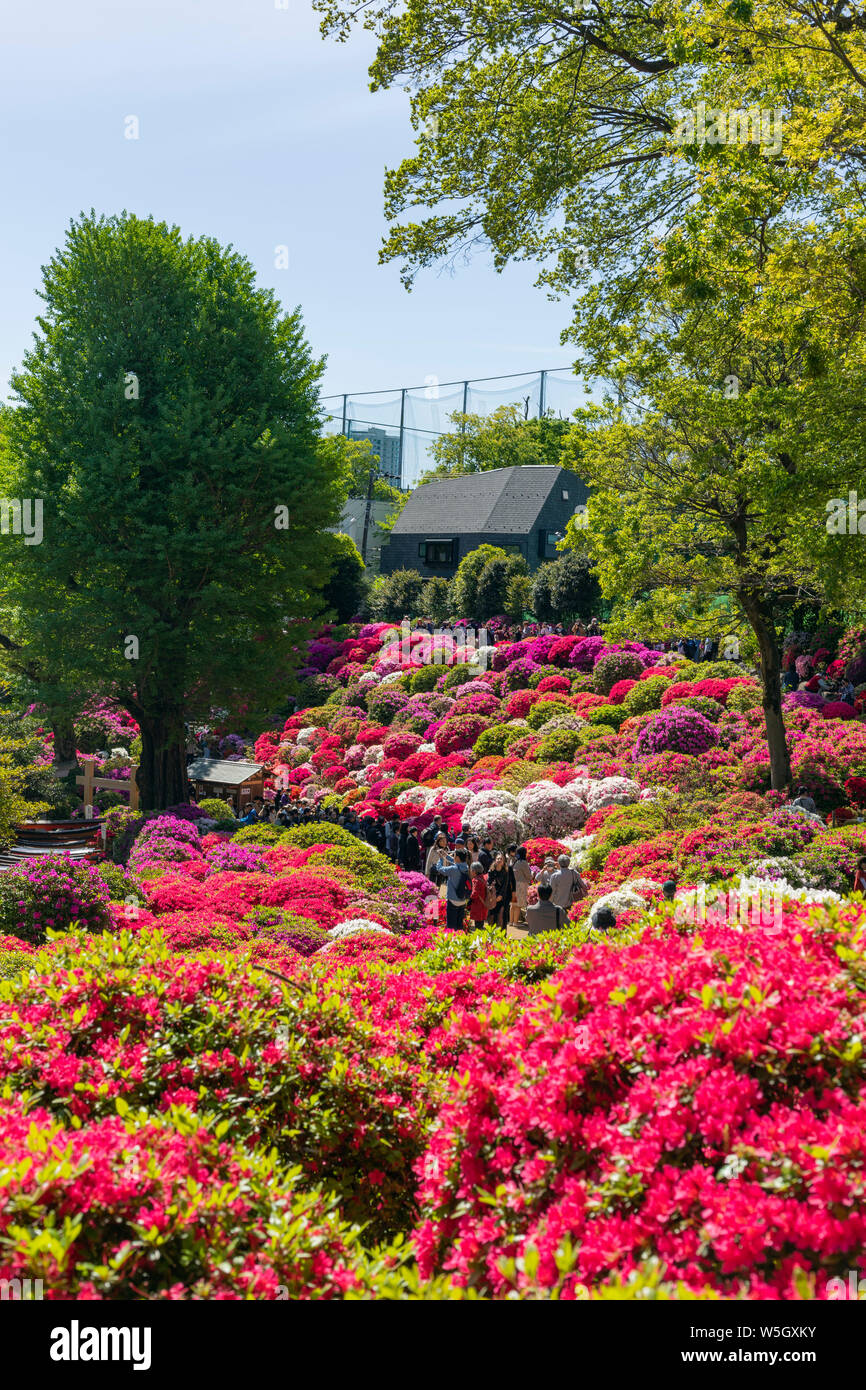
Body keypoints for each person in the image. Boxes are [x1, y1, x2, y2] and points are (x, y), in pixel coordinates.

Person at [437, 847, 471, 931]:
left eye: (454, 855)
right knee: (459, 926)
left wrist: (441, 859)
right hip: (462, 900)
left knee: (451, 927)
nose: (453, 857)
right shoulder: (466, 867)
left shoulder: (453, 869)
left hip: (453, 901)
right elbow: (457, 863)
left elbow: (440, 869)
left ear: (458, 858)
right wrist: (446, 856)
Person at [486, 850, 509, 927]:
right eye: (498, 859)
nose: (499, 860)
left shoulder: (505, 872)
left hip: (501, 897)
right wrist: (492, 894)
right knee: (491, 916)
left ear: (503, 861)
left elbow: (505, 885)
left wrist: (500, 895)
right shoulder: (491, 871)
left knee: (500, 917)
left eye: (501, 859)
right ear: (495, 860)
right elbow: (488, 883)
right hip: (492, 896)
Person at [511, 845, 532, 924]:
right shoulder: (523, 863)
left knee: (513, 904)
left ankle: (511, 922)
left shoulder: (515, 861)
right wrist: (532, 875)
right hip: (521, 884)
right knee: (518, 905)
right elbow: (528, 875)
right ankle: (516, 922)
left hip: (514, 884)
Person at [468, 862, 489, 927]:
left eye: (471, 870)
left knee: (477, 923)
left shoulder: (476, 880)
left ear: (474, 871)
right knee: (481, 922)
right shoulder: (484, 877)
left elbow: (475, 893)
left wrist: (470, 900)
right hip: (484, 902)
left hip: (477, 904)